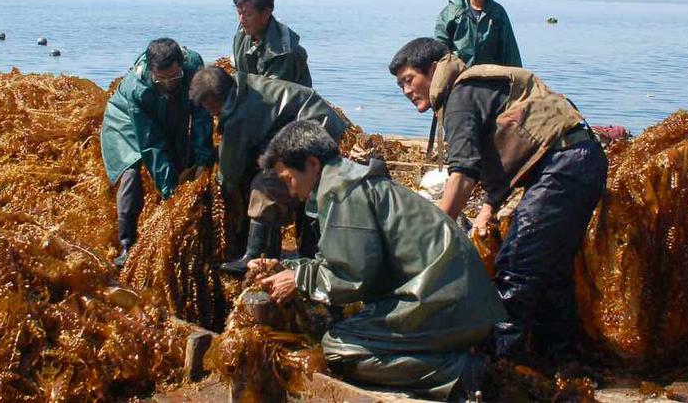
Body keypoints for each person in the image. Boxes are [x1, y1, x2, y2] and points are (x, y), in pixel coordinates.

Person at [388, 37, 606, 363]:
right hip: (584, 158)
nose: (406, 90)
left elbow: (463, 174)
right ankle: (558, 361)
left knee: (515, 266)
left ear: (433, 69)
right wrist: (488, 207)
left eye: (409, 80)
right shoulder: (473, 89)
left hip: (563, 166)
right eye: (400, 85)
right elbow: (504, 152)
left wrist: (435, 229)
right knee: (551, 271)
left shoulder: (459, 96)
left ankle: (497, 365)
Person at [254, 121, 506, 401]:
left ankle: (457, 373)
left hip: (446, 305)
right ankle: (448, 356)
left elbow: (353, 279)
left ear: (312, 164)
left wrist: (299, 279)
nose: (290, 191)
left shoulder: (343, 193)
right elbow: (344, 262)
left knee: (338, 348)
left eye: (288, 179)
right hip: (457, 302)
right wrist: (287, 269)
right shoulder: (352, 182)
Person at [188, 65, 345, 275]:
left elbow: (230, 172)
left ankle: (254, 255)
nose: (212, 113)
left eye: (212, 108)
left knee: (264, 187)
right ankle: (288, 253)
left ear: (221, 98)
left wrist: (220, 195)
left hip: (315, 129)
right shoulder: (241, 86)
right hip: (314, 119)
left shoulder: (239, 113)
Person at [101, 38, 215, 267]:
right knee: (131, 174)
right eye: (161, 80)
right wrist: (170, 194)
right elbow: (151, 143)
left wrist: (203, 160)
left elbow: (202, 115)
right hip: (125, 119)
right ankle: (127, 244)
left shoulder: (194, 68)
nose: (169, 84)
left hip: (167, 107)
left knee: (184, 160)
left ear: (181, 65)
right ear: (152, 71)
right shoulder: (138, 87)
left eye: (174, 77)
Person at [435, 0, 522, 68]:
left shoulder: (498, 13)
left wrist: (516, 78)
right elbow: (440, 43)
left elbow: (509, 49)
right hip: (458, 72)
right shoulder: (453, 11)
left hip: (489, 74)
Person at [232, 0, 313, 87]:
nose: (241, 19)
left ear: (266, 13)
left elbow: (273, 94)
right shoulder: (242, 33)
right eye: (239, 13)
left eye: (248, 14)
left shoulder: (285, 51)